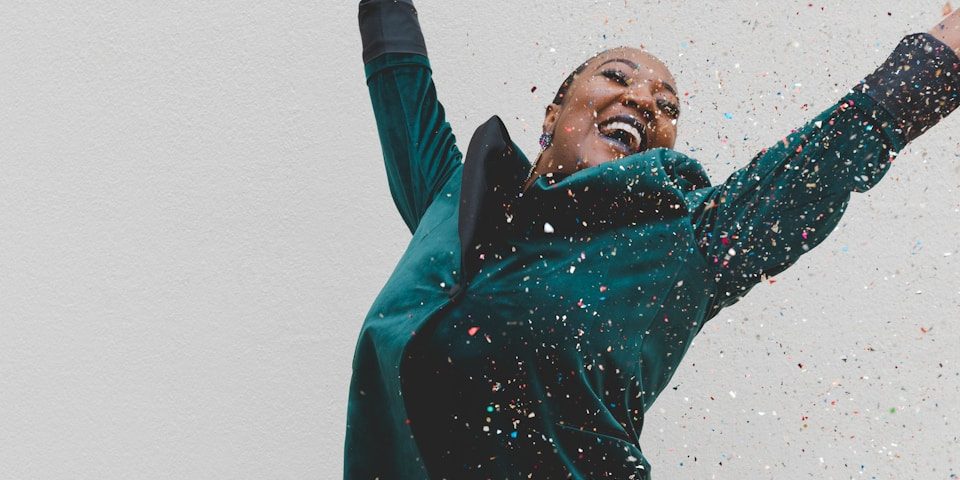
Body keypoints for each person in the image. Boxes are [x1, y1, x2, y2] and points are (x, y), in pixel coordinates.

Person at [346, 1, 960, 478]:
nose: (642, 99)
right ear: (554, 110)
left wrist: (942, 54)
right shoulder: (448, 197)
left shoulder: (683, 245)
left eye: (665, 106)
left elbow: (823, 159)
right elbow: (400, 71)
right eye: (617, 76)